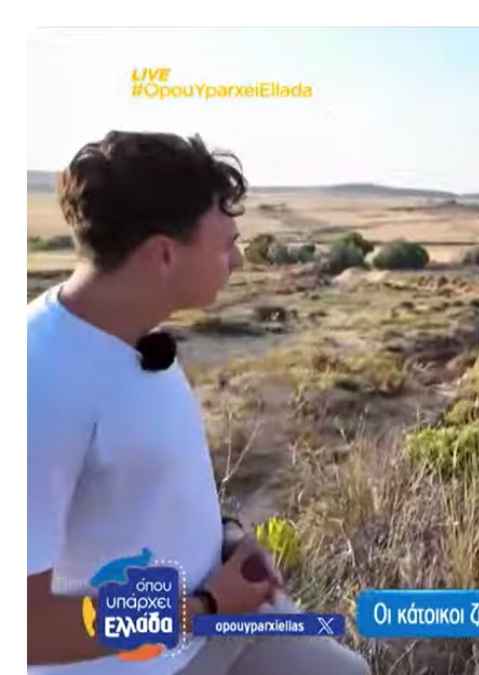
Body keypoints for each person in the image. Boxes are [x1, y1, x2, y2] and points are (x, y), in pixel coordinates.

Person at [27, 131, 369, 674]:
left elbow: (143, 490)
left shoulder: (133, 334)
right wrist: (203, 607)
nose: (238, 260)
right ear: (164, 254)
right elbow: (26, 628)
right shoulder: (38, 382)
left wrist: (229, 540)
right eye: (225, 244)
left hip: (213, 620)